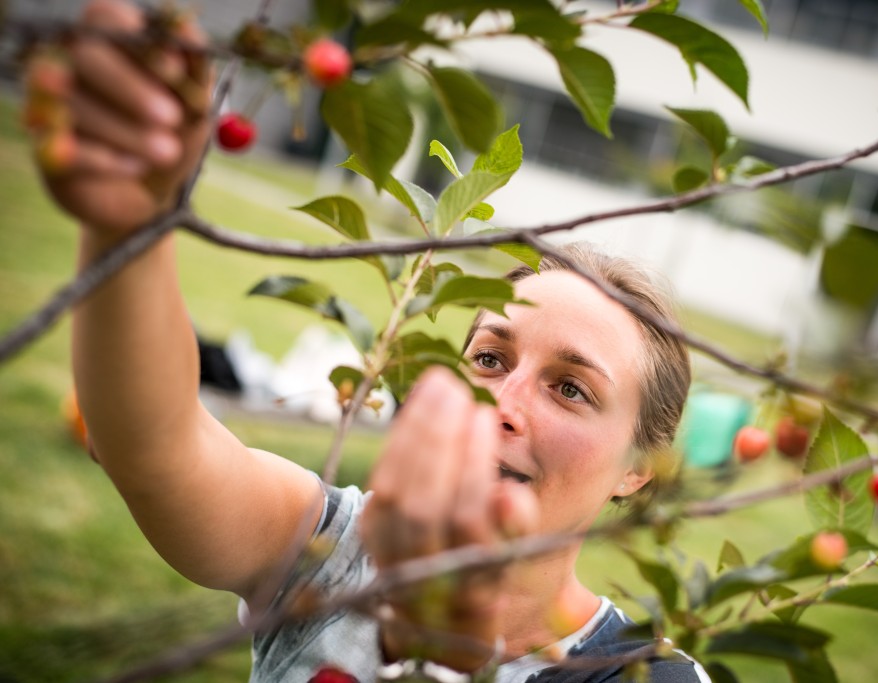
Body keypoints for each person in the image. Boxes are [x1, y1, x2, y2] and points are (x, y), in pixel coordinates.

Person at [29, 2, 711, 681]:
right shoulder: (339, 554)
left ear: (639, 466)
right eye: (489, 357)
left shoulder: (650, 677)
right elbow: (155, 448)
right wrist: (134, 227)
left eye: (570, 388)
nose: (502, 402)